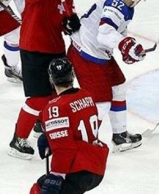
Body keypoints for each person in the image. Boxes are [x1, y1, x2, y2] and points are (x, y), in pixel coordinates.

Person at [8, 0, 81, 160]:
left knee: (58, 95)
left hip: (55, 47)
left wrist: (70, 23)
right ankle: (18, 139)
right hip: (34, 47)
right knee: (38, 99)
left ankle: (43, 123)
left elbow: (66, 12)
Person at [67, 0, 151, 152]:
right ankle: (83, 143)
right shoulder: (116, 5)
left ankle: (119, 136)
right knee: (101, 102)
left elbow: (116, 31)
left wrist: (128, 49)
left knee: (118, 87)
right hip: (86, 54)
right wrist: (124, 45)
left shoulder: (125, 4)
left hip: (98, 52)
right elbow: (104, 31)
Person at [29, 58, 108, 194]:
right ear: (72, 75)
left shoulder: (55, 107)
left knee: (38, 190)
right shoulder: (86, 96)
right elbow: (76, 126)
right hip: (96, 166)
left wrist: (56, 175)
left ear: (51, 79)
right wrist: (50, 136)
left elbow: (64, 148)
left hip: (77, 170)